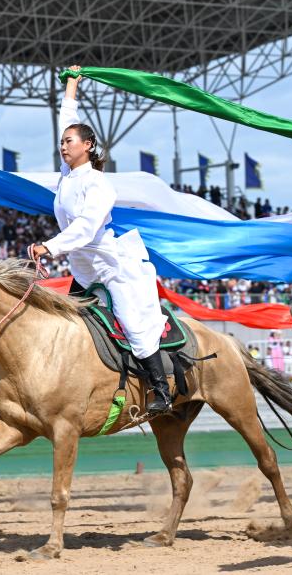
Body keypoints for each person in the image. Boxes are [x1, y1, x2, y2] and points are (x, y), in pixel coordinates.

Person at [29, 65, 171, 415]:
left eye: (70, 142)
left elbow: (86, 228)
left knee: (135, 326)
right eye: (62, 142)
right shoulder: (67, 175)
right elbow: (67, 120)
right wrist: (72, 86)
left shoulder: (98, 184)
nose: (63, 146)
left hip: (110, 267)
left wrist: (49, 246)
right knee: (62, 324)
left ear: (88, 145)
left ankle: (162, 391)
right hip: (83, 271)